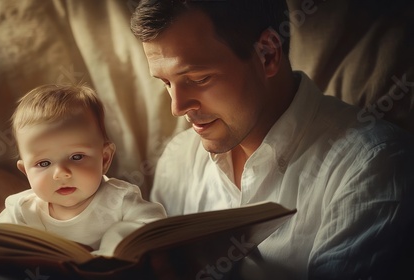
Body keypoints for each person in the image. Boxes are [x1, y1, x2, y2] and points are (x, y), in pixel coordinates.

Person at [130, 0, 414, 279]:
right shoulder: (178, 157)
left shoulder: (375, 166)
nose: (177, 108)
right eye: (166, 83)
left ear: (267, 54)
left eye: (199, 78)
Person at [0, 84, 166, 255]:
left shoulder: (119, 199)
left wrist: (116, 243)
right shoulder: (21, 211)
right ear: (26, 172)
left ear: (104, 159)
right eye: (44, 164)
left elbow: (154, 225)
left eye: (76, 157)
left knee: (124, 233)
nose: (61, 173)